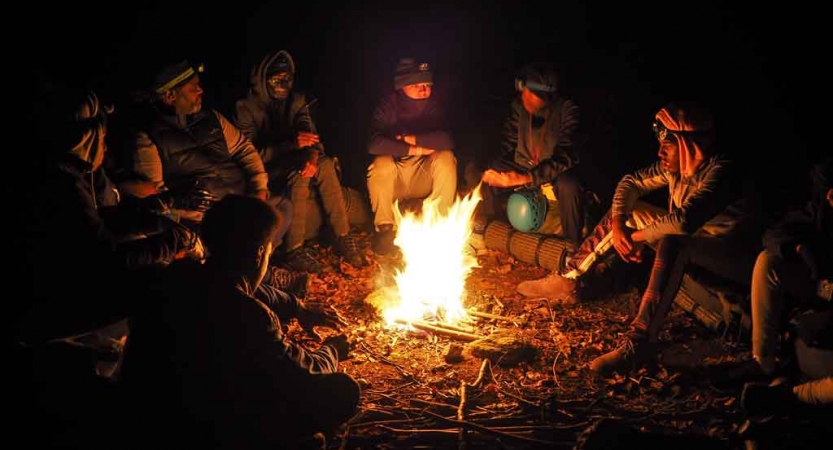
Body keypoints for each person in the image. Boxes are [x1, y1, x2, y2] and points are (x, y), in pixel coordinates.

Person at [517, 102, 756, 376]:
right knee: (628, 212)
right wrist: (620, 224)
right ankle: (568, 277)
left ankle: (639, 342)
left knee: (672, 240)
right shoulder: (676, 169)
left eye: (667, 146)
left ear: (688, 145)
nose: (659, 152)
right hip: (697, 244)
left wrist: (638, 236)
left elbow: (684, 220)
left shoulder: (721, 171)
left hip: (734, 260)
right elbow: (630, 182)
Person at [120, 194, 360, 448]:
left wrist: (297, 307)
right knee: (342, 390)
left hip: (145, 413)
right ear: (259, 254)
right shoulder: (249, 315)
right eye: (270, 250)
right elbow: (303, 371)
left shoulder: (177, 275)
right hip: (204, 427)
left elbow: (248, 288)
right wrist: (331, 351)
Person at [235, 49, 366, 273]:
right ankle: (293, 249)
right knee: (300, 171)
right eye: (276, 78)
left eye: (287, 78)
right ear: (263, 79)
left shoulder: (296, 101)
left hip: (296, 158)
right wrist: (292, 145)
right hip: (267, 168)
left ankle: (343, 235)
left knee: (323, 164)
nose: (282, 84)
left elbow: (310, 135)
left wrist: (312, 155)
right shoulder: (246, 107)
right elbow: (249, 154)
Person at [710, 158, 832, 391]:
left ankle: (793, 392)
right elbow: (776, 232)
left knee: (814, 333)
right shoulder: (822, 207)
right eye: (828, 193)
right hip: (822, 284)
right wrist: (798, 248)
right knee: (768, 262)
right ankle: (763, 362)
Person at [119, 59, 271, 227]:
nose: (201, 90)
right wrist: (203, 216)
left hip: (243, 200)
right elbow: (157, 196)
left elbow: (244, 150)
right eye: (193, 88)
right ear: (170, 96)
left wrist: (259, 189)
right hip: (209, 220)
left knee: (283, 208)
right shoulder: (148, 138)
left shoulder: (211, 118)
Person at [473, 61, 586, 246]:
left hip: (552, 170)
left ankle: (573, 245)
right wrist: (488, 168)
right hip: (524, 165)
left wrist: (525, 178)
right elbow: (507, 142)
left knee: (569, 184)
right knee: (487, 169)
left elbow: (566, 156)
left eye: (533, 95)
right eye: (526, 92)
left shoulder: (567, 110)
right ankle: (488, 227)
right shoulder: (520, 106)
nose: (526, 98)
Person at [366, 57, 457, 255]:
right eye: (416, 85)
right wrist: (415, 150)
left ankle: (440, 223)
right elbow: (374, 144)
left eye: (426, 84)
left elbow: (447, 140)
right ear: (402, 86)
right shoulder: (389, 105)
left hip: (421, 175)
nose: (423, 90)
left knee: (446, 158)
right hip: (395, 179)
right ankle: (385, 229)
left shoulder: (432, 106)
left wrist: (411, 139)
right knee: (381, 162)